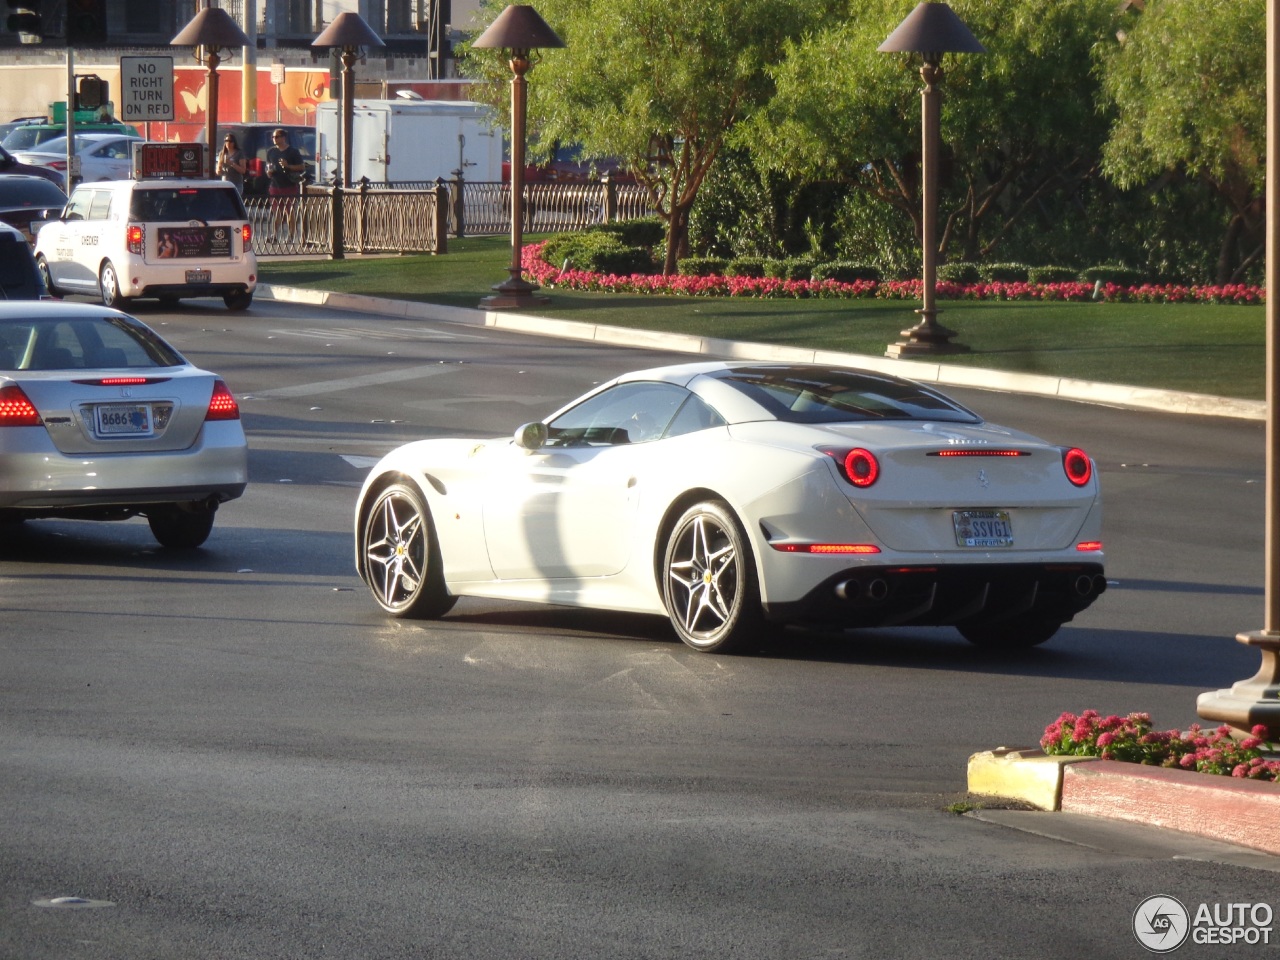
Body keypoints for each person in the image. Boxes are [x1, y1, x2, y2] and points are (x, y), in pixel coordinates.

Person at [265, 128, 305, 240]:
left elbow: (301, 167)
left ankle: (291, 235)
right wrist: (269, 171)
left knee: (290, 211)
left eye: (276, 137)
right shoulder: (271, 152)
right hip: (275, 185)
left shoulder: (293, 151)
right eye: (273, 137)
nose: (274, 139)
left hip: (289, 185)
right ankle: (274, 235)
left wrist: (288, 166)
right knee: (276, 211)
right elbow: (268, 166)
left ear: (283, 138)